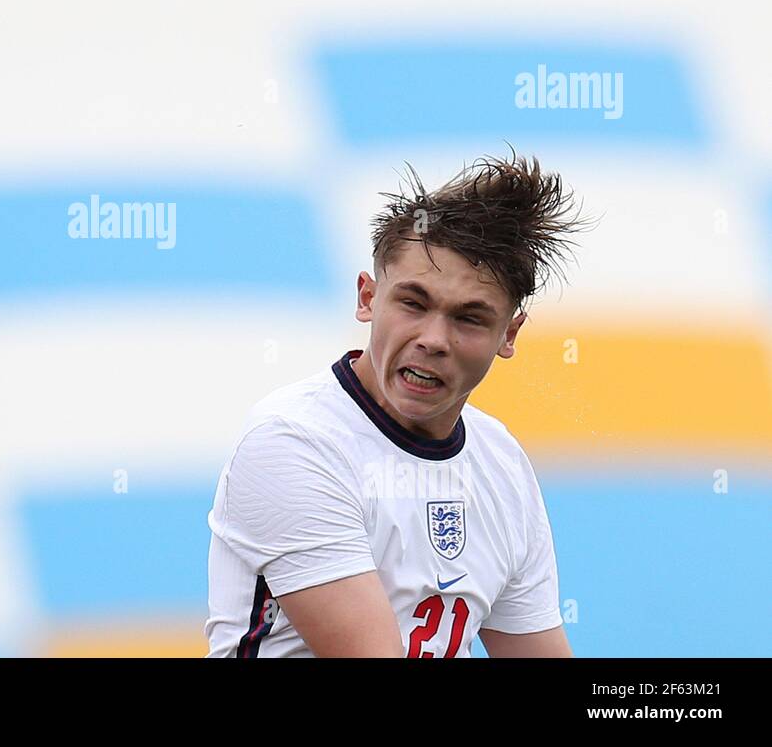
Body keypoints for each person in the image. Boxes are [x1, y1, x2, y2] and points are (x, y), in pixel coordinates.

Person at [205, 151, 594, 657]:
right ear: (368, 298)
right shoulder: (292, 443)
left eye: (470, 318)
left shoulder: (501, 461)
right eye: (414, 303)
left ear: (509, 333)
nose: (433, 339)